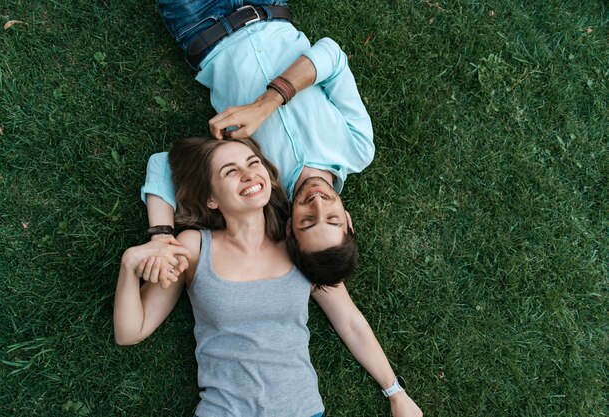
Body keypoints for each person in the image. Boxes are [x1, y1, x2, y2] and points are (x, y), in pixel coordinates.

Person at [114, 137, 422, 416]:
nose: (248, 175)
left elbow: (349, 321)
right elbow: (130, 332)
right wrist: (132, 262)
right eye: (230, 172)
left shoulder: (298, 244)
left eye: (253, 163)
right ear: (211, 199)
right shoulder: (194, 247)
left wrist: (396, 393)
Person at [142, 1, 375, 286]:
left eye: (308, 222)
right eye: (333, 219)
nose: (318, 205)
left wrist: (162, 235)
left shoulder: (256, 183)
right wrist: (267, 103)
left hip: (202, 27)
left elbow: (164, 165)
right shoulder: (358, 149)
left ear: (290, 228)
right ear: (348, 219)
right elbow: (332, 55)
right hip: (268, 7)